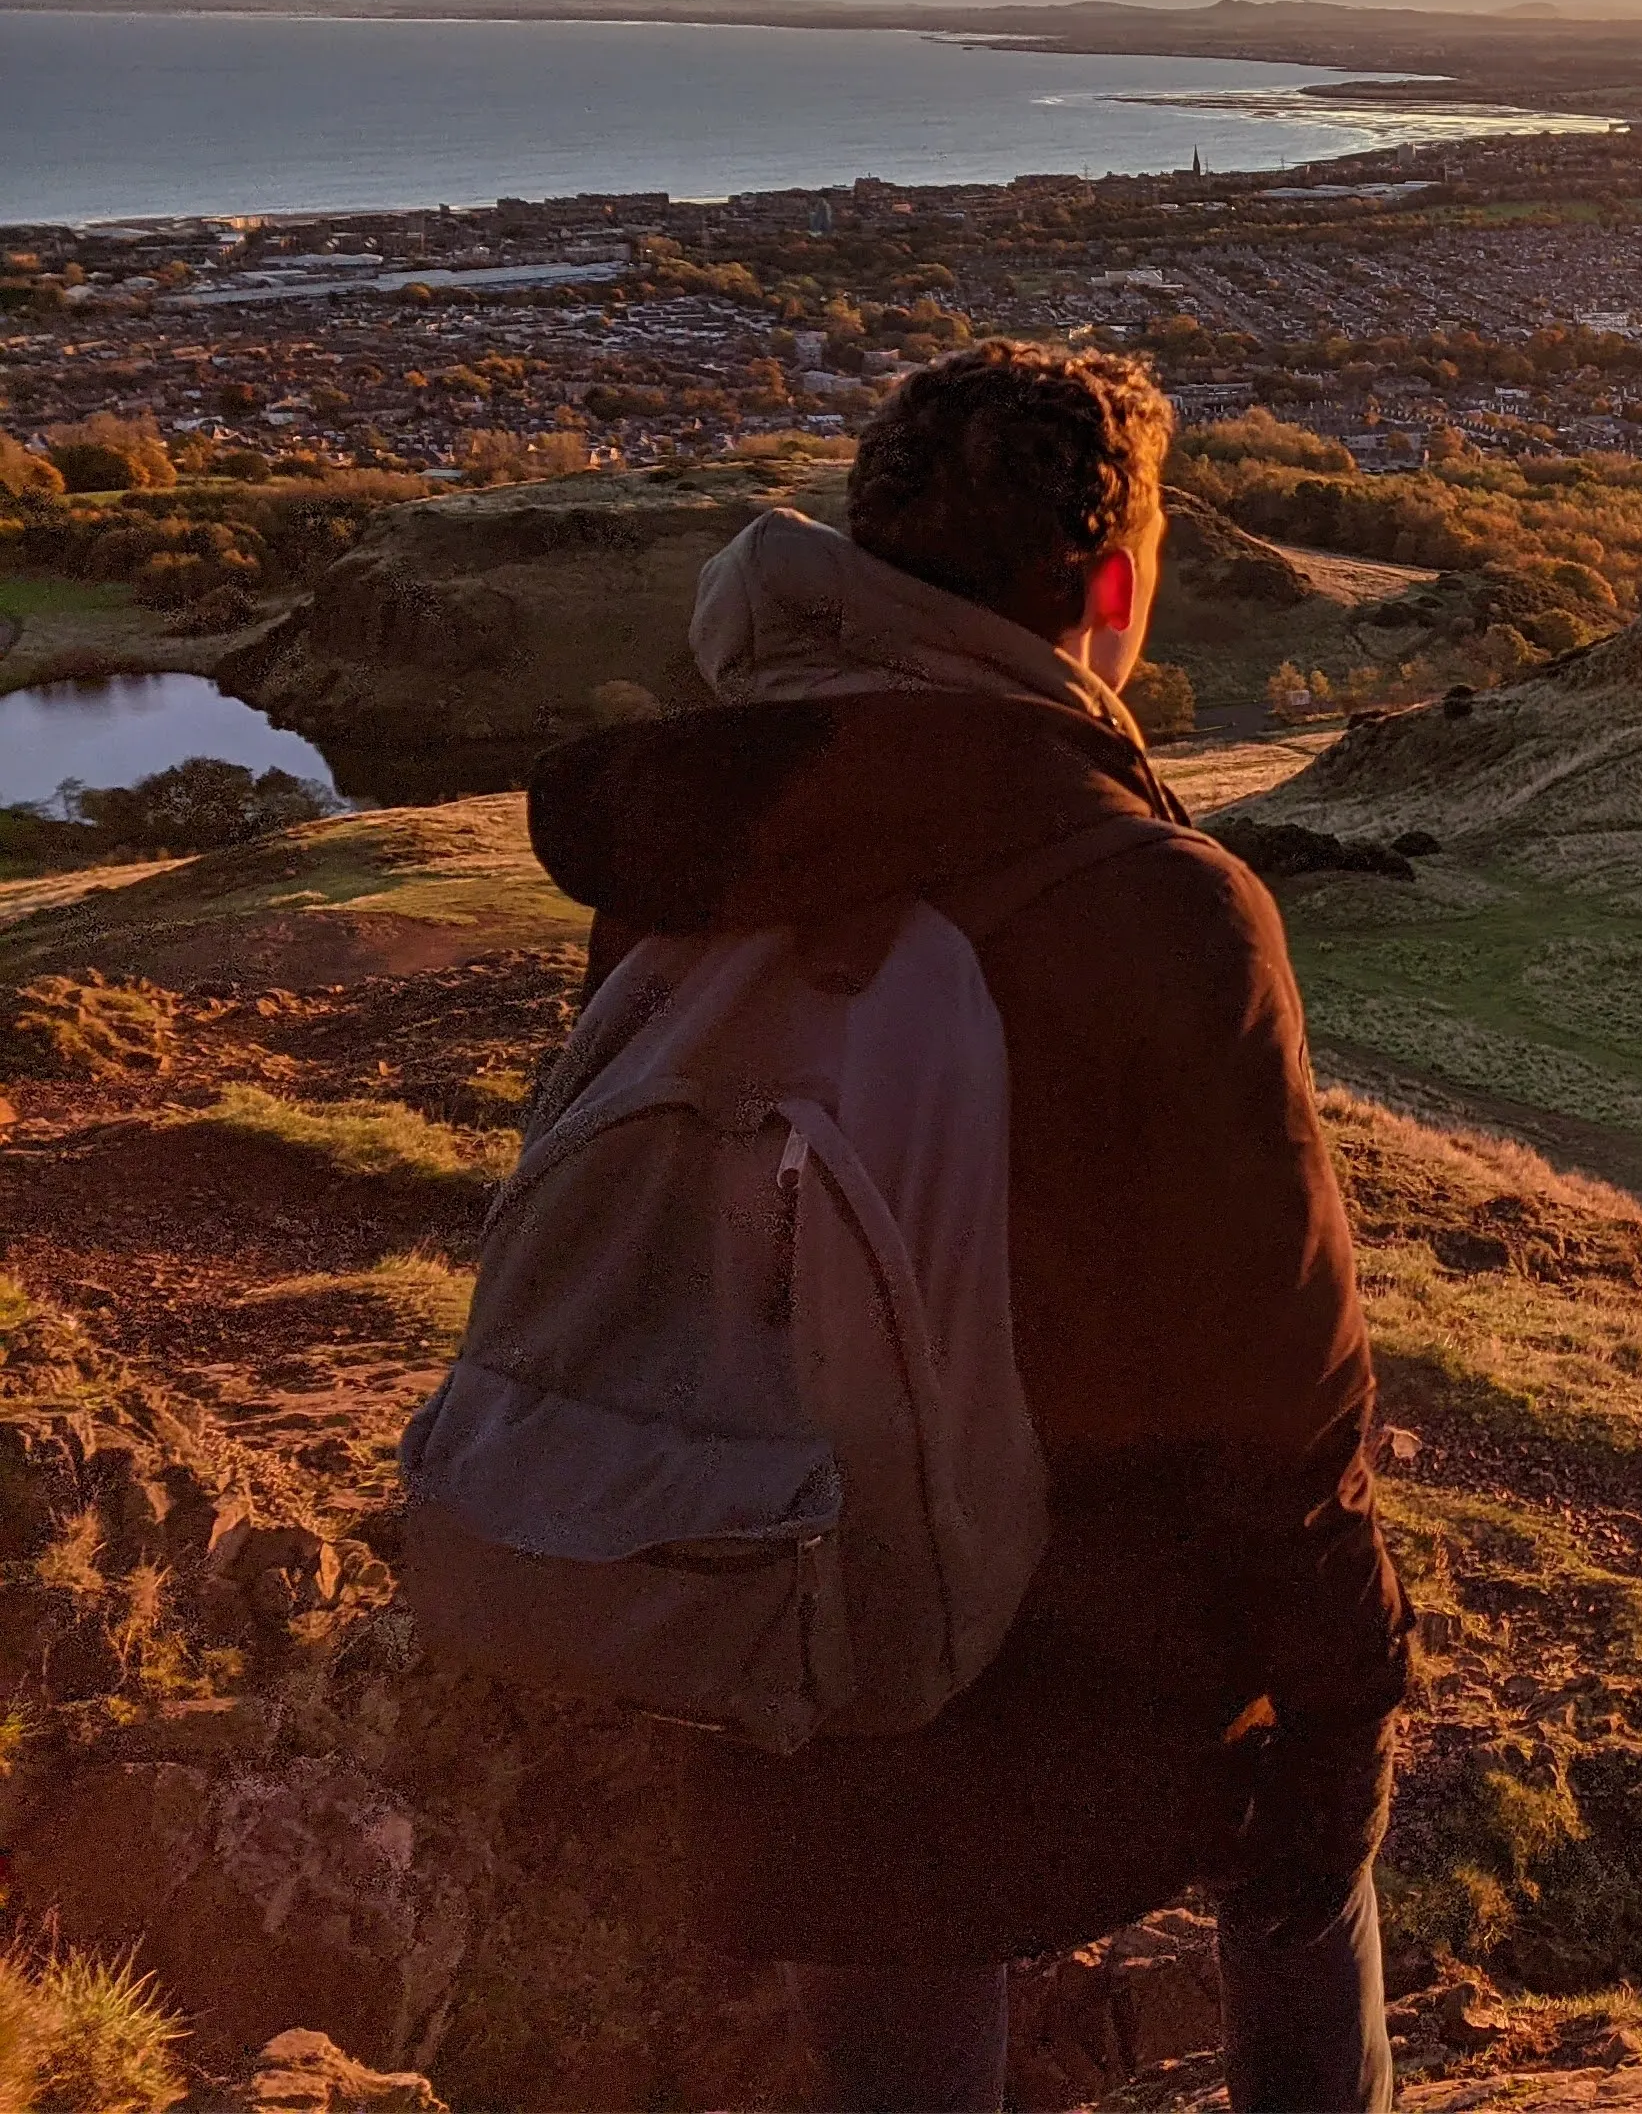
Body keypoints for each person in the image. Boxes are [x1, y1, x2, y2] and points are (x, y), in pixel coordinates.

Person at [526, 344, 1408, 2114]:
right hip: (1098, 1644)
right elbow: (1277, 1381)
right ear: (1112, 595)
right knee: (1308, 1882)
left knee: (886, 1965)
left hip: (775, 1569)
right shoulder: (1157, 903)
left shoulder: (701, 852)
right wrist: (1347, 1694)